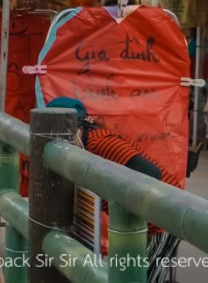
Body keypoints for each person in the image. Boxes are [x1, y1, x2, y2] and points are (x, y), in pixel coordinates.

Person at [47, 97, 181, 282]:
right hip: (140, 223)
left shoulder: (100, 143)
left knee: (144, 277)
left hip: (162, 219)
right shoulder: (82, 151)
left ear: (79, 128)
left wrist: (124, 208)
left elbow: (151, 174)